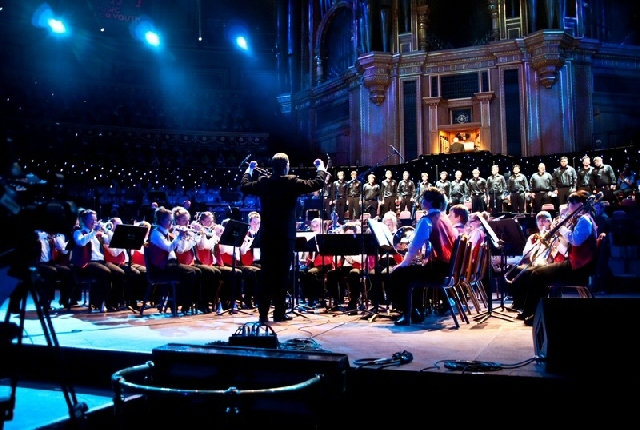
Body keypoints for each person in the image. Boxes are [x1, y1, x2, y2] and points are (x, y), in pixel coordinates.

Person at [240, 153, 327, 323]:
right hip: (285, 236)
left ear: (273, 166)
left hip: (267, 235)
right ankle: (279, 312)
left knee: (266, 274)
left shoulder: (264, 182)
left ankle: (263, 313)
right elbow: (317, 183)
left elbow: (244, 186)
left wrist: (249, 170)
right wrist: (320, 169)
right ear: (287, 165)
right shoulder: (292, 181)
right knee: (281, 275)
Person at [517, 190, 598, 325]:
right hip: (575, 263)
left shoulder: (585, 220)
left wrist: (561, 228)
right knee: (536, 272)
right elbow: (570, 245)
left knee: (538, 274)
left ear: (579, 205)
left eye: (570, 204)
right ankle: (531, 311)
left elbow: (576, 240)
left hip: (578, 267)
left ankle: (535, 313)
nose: (568, 207)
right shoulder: (582, 219)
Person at [389, 187, 459, 325]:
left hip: (438, 270)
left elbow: (415, 245)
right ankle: (416, 311)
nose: (421, 201)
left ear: (430, 202)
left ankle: (407, 313)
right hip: (447, 268)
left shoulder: (427, 220)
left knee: (398, 274)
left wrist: (403, 263)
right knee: (415, 272)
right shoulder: (444, 219)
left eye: (423, 199)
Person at [70, 208, 126, 312]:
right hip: (86, 264)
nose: (95, 222)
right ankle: (106, 304)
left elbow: (112, 241)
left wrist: (107, 231)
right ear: (84, 221)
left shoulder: (97, 234)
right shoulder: (78, 233)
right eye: (92, 220)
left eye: (95, 220)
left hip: (100, 262)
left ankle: (116, 302)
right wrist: (94, 232)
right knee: (106, 272)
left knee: (120, 273)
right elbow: (81, 242)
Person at [146, 206, 198, 315]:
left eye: (171, 220)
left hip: (170, 264)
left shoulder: (167, 233)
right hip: (160, 268)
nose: (171, 223)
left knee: (197, 271)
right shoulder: (156, 233)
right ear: (161, 220)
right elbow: (169, 247)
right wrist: (179, 236)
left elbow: (179, 249)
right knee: (190, 273)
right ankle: (182, 303)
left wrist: (185, 237)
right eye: (168, 220)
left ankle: (188, 303)